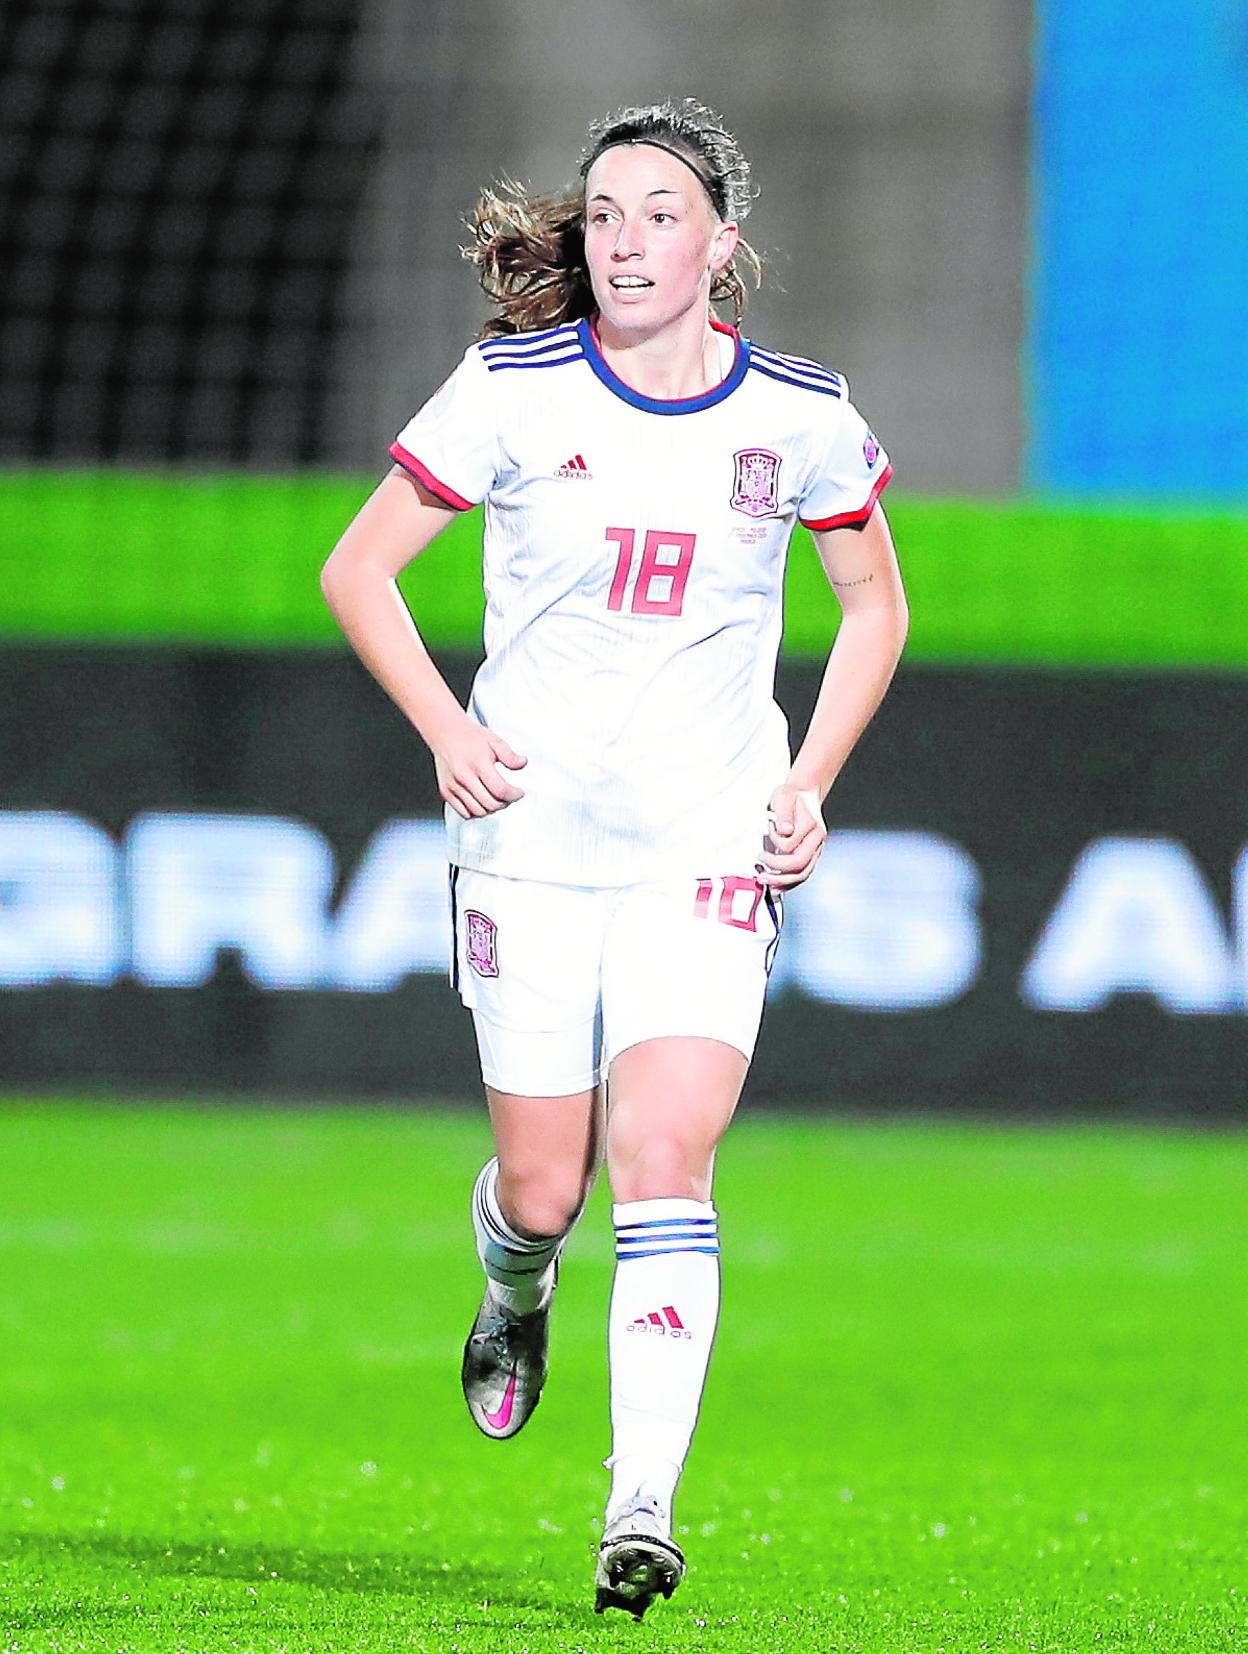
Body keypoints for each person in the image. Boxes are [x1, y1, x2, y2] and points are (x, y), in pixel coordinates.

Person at [321, 97, 908, 1620]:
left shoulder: (802, 416)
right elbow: (358, 569)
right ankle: (513, 1287)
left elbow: (874, 604)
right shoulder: (511, 389)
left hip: (707, 837)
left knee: (666, 1159)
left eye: (660, 214)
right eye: (604, 217)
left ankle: (638, 1503)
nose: (627, 242)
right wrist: (448, 729)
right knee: (547, 1186)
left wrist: (810, 780)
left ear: (722, 243)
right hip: (528, 836)